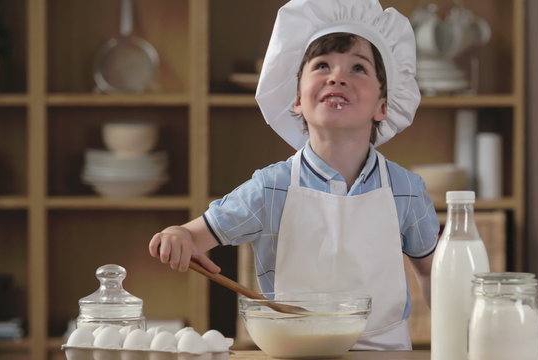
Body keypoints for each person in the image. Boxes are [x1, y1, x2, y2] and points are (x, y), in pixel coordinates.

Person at [148, 0, 439, 351]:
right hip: (293, 353)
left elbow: (431, 272)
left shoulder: (407, 190)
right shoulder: (271, 188)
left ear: (383, 106)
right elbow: (193, 236)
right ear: (297, 98)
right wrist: (176, 236)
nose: (337, 76)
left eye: (358, 68)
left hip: (384, 355)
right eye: (322, 66)